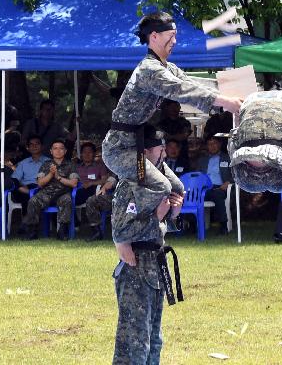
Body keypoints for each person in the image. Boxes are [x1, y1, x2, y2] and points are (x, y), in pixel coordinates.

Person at [101, 11, 242, 212]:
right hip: (120, 148)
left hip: (139, 147)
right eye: (171, 36)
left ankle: (160, 230)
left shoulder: (168, 68)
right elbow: (182, 90)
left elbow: (193, 84)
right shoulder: (149, 70)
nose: (175, 41)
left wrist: (233, 95)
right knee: (161, 187)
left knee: (177, 189)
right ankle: (135, 226)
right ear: (154, 36)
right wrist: (225, 101)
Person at [112, 123, 185, 364]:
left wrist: (173, 215)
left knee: (155, 336)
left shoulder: (160, 182)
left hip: (155, 262)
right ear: (144, 153)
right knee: (135, 338)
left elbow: (165, 225)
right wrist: (157, 216)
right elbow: (122, 229)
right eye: (159, 150)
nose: (164, 153)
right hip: (136, 266)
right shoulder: (129, 184)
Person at [21, 139, 78, 240]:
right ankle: (32, 231)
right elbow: (40, 183)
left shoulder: (71, 165)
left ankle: (62, 231)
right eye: (55, 148)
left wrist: (58, 177)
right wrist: (51, 174)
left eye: (61, 148)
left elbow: (73, 184)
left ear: (65, 151)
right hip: (46, 193)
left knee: (67, 200)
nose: (58, 151)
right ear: (51, 151)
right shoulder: (46, 164)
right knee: (33, 201)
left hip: (63, 193)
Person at [195, 136, 232, 235]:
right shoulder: (202, 160)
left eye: (214, 143)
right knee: (192, 197)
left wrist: (228, 182)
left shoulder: (227, 158)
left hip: (219, 188)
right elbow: (196, 176)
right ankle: (192, 225)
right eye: (209, 144)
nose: (212, 146)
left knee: (217, 195)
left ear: (220, 144)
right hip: (204, 189)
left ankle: (223, 226)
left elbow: (236, 174)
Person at [10, 136, 50, 218]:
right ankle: (29, 224)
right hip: (25, 189)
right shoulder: (23, 163)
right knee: (23, 194)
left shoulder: (49, 162)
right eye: (31, 144)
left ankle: (27, 224)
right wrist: (22, 188)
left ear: (42, 146)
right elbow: (14, 179)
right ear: (27, 148)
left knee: (33, 195)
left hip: (42, 188)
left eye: (37, 143)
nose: (34, 146)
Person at [75, 141, 110, 210]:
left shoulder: (100, 166)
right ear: (81, 154)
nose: (87, 154)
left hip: (94, 190)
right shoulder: (77, 167)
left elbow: (104, 180)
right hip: (78, 190)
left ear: (94, 154)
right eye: (84, 152)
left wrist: (91, 183)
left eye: (89, 152)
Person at [84, 174, 116, 241]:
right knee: (91, 200)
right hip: (115, 198)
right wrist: (104, 187)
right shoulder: (118, 169)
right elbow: (111, 181)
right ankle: (96, 232)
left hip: (132, 199)